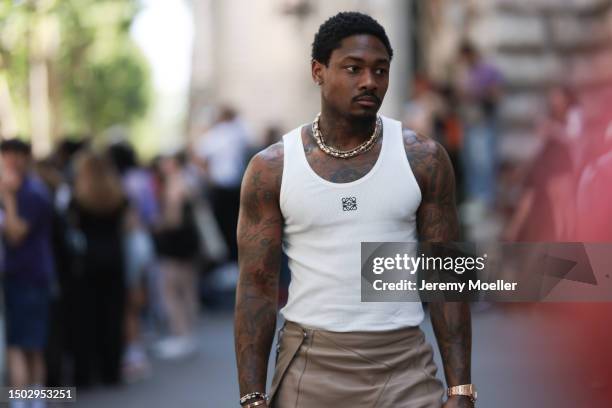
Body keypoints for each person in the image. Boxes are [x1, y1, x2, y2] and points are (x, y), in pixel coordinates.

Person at [234, 12, 474, 408]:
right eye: (353, 68)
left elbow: (447, 280)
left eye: (381, 70)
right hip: (309, 365)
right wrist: (252, 397)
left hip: (405, 367)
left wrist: (461, 390)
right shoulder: (272, 168)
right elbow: (255, 287)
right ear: (318, 71)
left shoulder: (424, 159)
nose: (369, 81)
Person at [0, 139, 55, 408]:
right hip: (24, 274)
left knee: (21, 343)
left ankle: (24, 398)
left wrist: (8, 199)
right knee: (31, 342)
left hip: (28, 275)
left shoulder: (31, 193)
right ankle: (34, 396)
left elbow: (16, 234)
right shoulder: (29, 189)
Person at [67, 151, 128, 386]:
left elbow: (72, 228)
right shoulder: (118, 195)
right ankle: (111, 371)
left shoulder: (77, 197)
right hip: (114, 260)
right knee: (112, 317)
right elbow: (127, 227)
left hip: (86, 263)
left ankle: (84, 374)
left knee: (85, 319)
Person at [456, 41, 503, 211]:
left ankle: (486, 199)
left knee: (483, 161)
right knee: (470, 162)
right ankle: (475, 198)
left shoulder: (487, 71)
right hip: (469, 123)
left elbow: (497, 94)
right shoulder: (466, 73)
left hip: (483, 123)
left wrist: (477, 93)